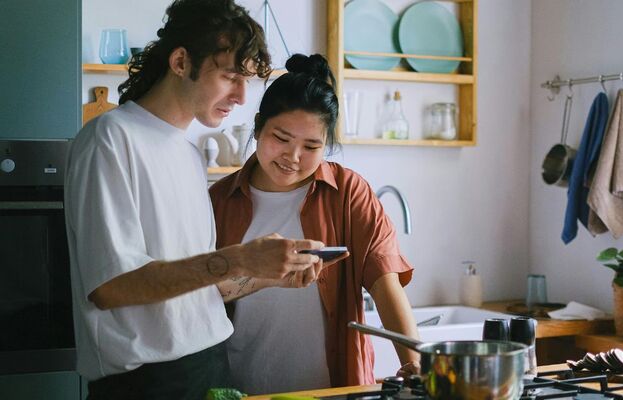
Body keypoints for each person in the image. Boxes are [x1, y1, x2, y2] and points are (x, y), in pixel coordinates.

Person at [64, 1, 327, 399]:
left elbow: (198, 290)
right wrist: (240, 258)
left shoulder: (189, 153)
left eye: (246, 80)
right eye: (230, 77)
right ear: (181, 62)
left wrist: (268, 275)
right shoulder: (110, 139)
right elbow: (111, 287)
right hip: (147, 385)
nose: (241, 96)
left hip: (211, 367)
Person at [208, 53, 420, 395]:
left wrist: (415, 364)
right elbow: (201, 295)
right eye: (281, 138)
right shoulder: (219, 200)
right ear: (259, 126)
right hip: (241, 388)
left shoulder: (348, 193)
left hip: (332, 390)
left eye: (311, 146)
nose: (293, 157)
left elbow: (385, 283)